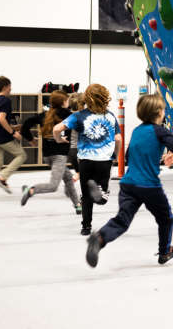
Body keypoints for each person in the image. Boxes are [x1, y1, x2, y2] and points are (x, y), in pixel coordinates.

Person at [85, 94, 173, 267]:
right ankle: (164, 251)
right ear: (159, 112)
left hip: (128, 184)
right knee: (166, 219)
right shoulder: (160, 131)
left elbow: (130, 156)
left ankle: (99, 239)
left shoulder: (137, 131)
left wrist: (157, 158)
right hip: (149, 185)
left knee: (122, 220)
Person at [53, 84, 122, 235]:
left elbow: (57, 129)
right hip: (104, 161)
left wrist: (58, 140)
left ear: (86, 99)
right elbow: (118, 139)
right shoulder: (110, 116)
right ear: (105, 98)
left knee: (85, 196)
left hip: (85, 161)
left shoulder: (78, 116)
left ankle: (86, 227)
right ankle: (99, 195)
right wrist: (115, 155)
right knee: (102, 197)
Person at [19, 91, 81, 213]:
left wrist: (31, 139)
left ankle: (78, 205)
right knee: (53, 186)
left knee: (68, 178)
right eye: (67, 100)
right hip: (59, 156)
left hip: (47, 156)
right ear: (64, 102)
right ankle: (31, 190)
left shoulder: (44, 115)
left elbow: (25, 125)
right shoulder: (68, 115)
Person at [67, 93, 84, 183]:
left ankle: (78, 173)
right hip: (84, 150)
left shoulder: (71, 116)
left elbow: (58, 129)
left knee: (81, 172)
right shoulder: (85, 116)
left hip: (73, 150)